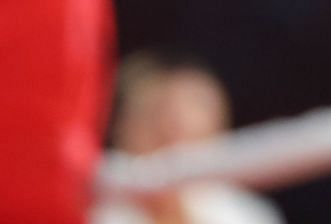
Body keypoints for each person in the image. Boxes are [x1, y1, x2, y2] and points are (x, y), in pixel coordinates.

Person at [90, 50, 284, 224]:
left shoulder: (247, 216)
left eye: (190, 136)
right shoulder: (88, 211)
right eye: (158, 129)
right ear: (120, 126)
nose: (173, 154)